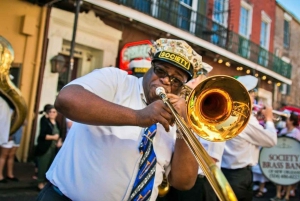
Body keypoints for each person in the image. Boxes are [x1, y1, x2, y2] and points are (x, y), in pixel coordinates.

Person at [36, 38, 201, 201]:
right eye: (161, 71)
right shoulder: (117, 81)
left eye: (176, 80)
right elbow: (66, 100)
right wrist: (139, 116)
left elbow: (183, 182)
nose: (166, 81)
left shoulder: (177, 116)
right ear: (150, 67)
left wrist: (185, 126)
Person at [164, 62, 225, 201]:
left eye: (193, 79)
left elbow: (212, 160)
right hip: (174, 179)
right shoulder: (179, 108)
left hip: (199, 182)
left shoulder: (213, 116)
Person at [221, 75, 277, 201]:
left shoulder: (233, 115)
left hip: (231, 173)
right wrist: (269, 119)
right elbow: (271, 140)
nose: (254, 98)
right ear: (245, 95)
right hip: (239, 175)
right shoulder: (245, 120)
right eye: (252, 94)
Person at [272, 113, 300, 201]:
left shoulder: (296, 132)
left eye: (288, 119)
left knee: (288, 176)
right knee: (278, 176)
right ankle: (278, 195)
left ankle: (287, 196)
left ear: (292, 121)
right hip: (281, 157)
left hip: (291, 159)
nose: (286, 121)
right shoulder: (284, 130)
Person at [35, 105, 61, 191]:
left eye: (54, 112)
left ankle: (46, 182)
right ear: (47, 113)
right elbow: (42, 135)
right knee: (43, 165)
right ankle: (40, 182)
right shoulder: (45, 121)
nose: (52, 114)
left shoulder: (56, 123)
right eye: (50, 112)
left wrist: (59, 140)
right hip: (45, 148)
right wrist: (54, 137)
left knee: (49, 166)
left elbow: (60, 134)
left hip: (53, 148)